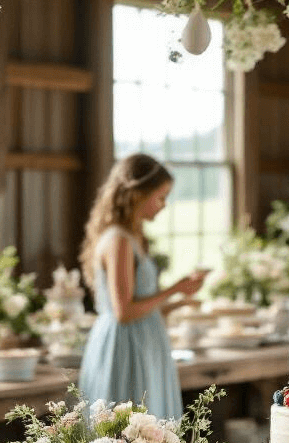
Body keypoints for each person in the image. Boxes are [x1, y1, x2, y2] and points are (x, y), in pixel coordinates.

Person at [78, 153, 207, 417]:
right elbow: (124, 312)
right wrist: (175, 288)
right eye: (160, 197)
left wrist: (181, 300)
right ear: (138, 194)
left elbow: (143, 307)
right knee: (129, 438)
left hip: (143, 345)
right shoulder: (119, 241)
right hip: (126, 351)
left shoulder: (132, 238)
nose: (164, 205)